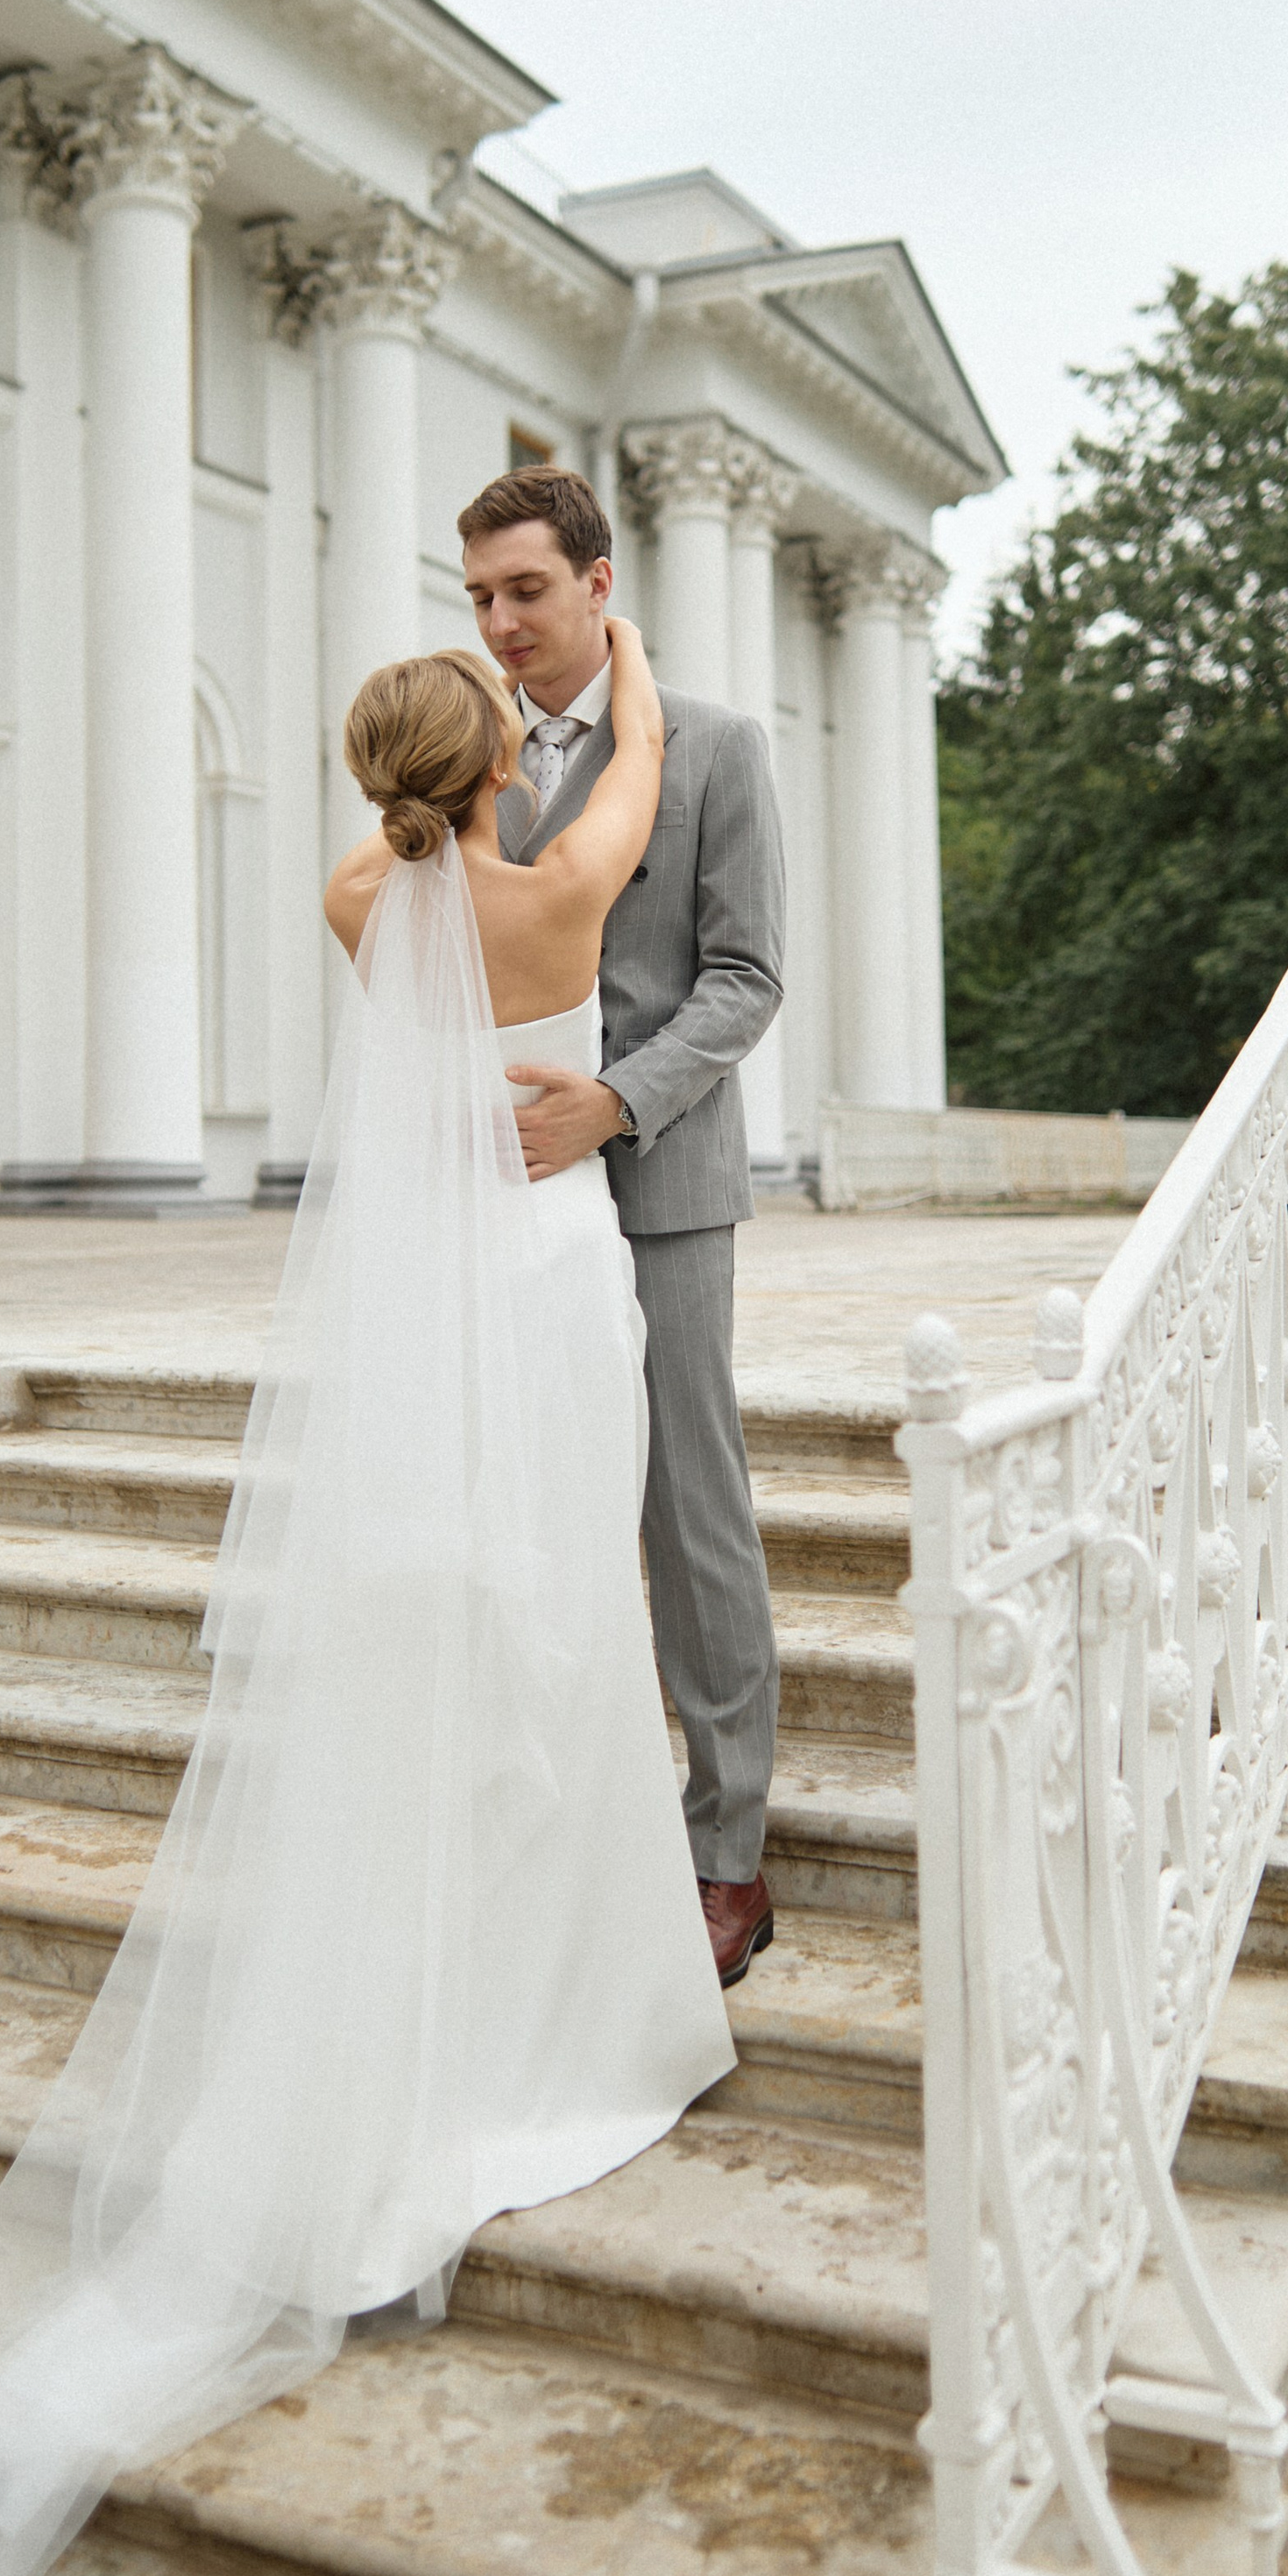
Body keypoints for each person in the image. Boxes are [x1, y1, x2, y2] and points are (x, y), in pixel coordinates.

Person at [0, 617, 733, 2576]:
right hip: (540, 1291)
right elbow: (627, 771)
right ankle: (550, 1983)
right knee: (554, 1616)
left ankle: (433, 1954)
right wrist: (613, 659)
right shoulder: (559, 887)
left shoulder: (363, 890)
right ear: (496, 774)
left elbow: (499, 830)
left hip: (414, 1318)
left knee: (451, 1631)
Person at [459, 465, 787, 1987]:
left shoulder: (716, 748)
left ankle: (727, 1854)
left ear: (600, 584)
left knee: (687, 1512)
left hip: (657, 1190)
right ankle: (553, 1818)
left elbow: (744, 979)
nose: (502, 622)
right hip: (506, 1196)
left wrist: (616, 1103)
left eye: (526, 590)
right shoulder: (475, 758)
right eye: (478, 598)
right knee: (528, 1501)